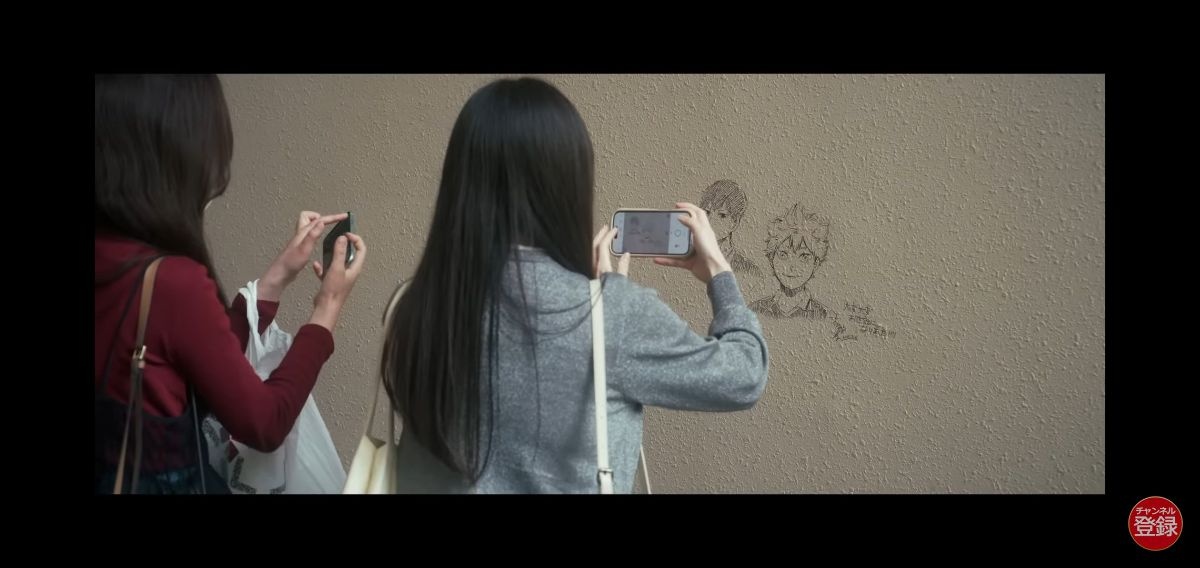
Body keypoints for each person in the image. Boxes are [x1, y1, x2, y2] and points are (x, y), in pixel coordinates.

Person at [380, 77, 769, 493]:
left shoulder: (413, 303)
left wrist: (598, 301)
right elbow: (745, 375)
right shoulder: (614, 315)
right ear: (567, 182)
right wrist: (717, 272)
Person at [95, 74, 367, 494]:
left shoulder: (119, 258)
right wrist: (327, 306)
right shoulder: (172, 282)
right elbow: (264, 423)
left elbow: (196, 359)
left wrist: (275, 279)